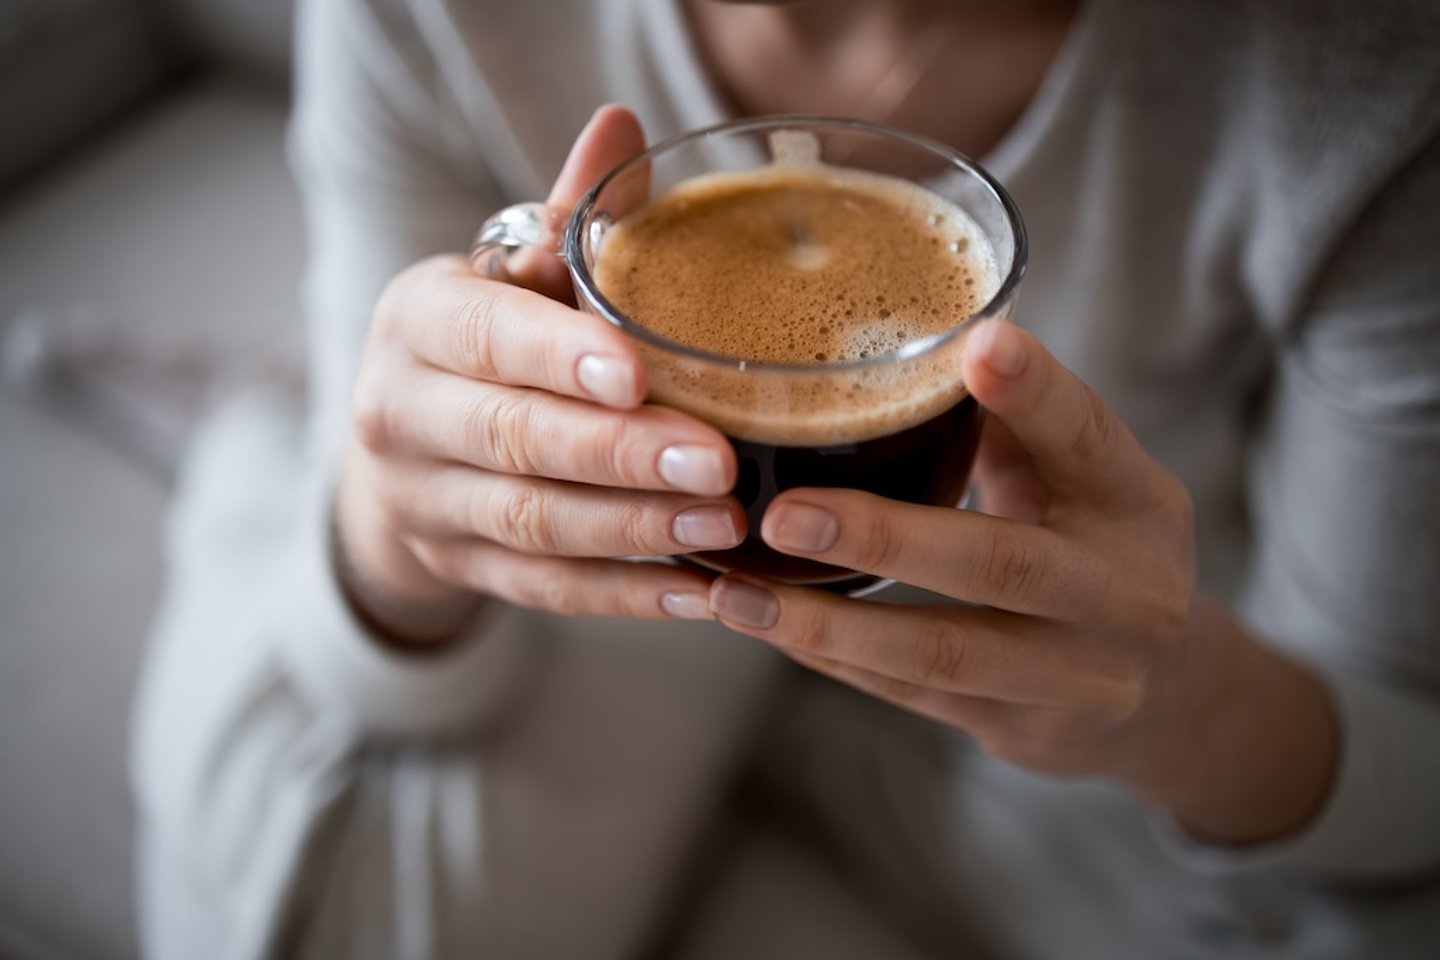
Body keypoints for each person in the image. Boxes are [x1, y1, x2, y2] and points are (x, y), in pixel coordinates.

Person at [132, 0, 1440, 956]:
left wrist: (1175, 705)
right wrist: (390, 526)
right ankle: (263, 447)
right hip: (640, 584)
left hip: (1095, 694)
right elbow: (380, 677)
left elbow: (1405, 787)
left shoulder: (1364, 79)